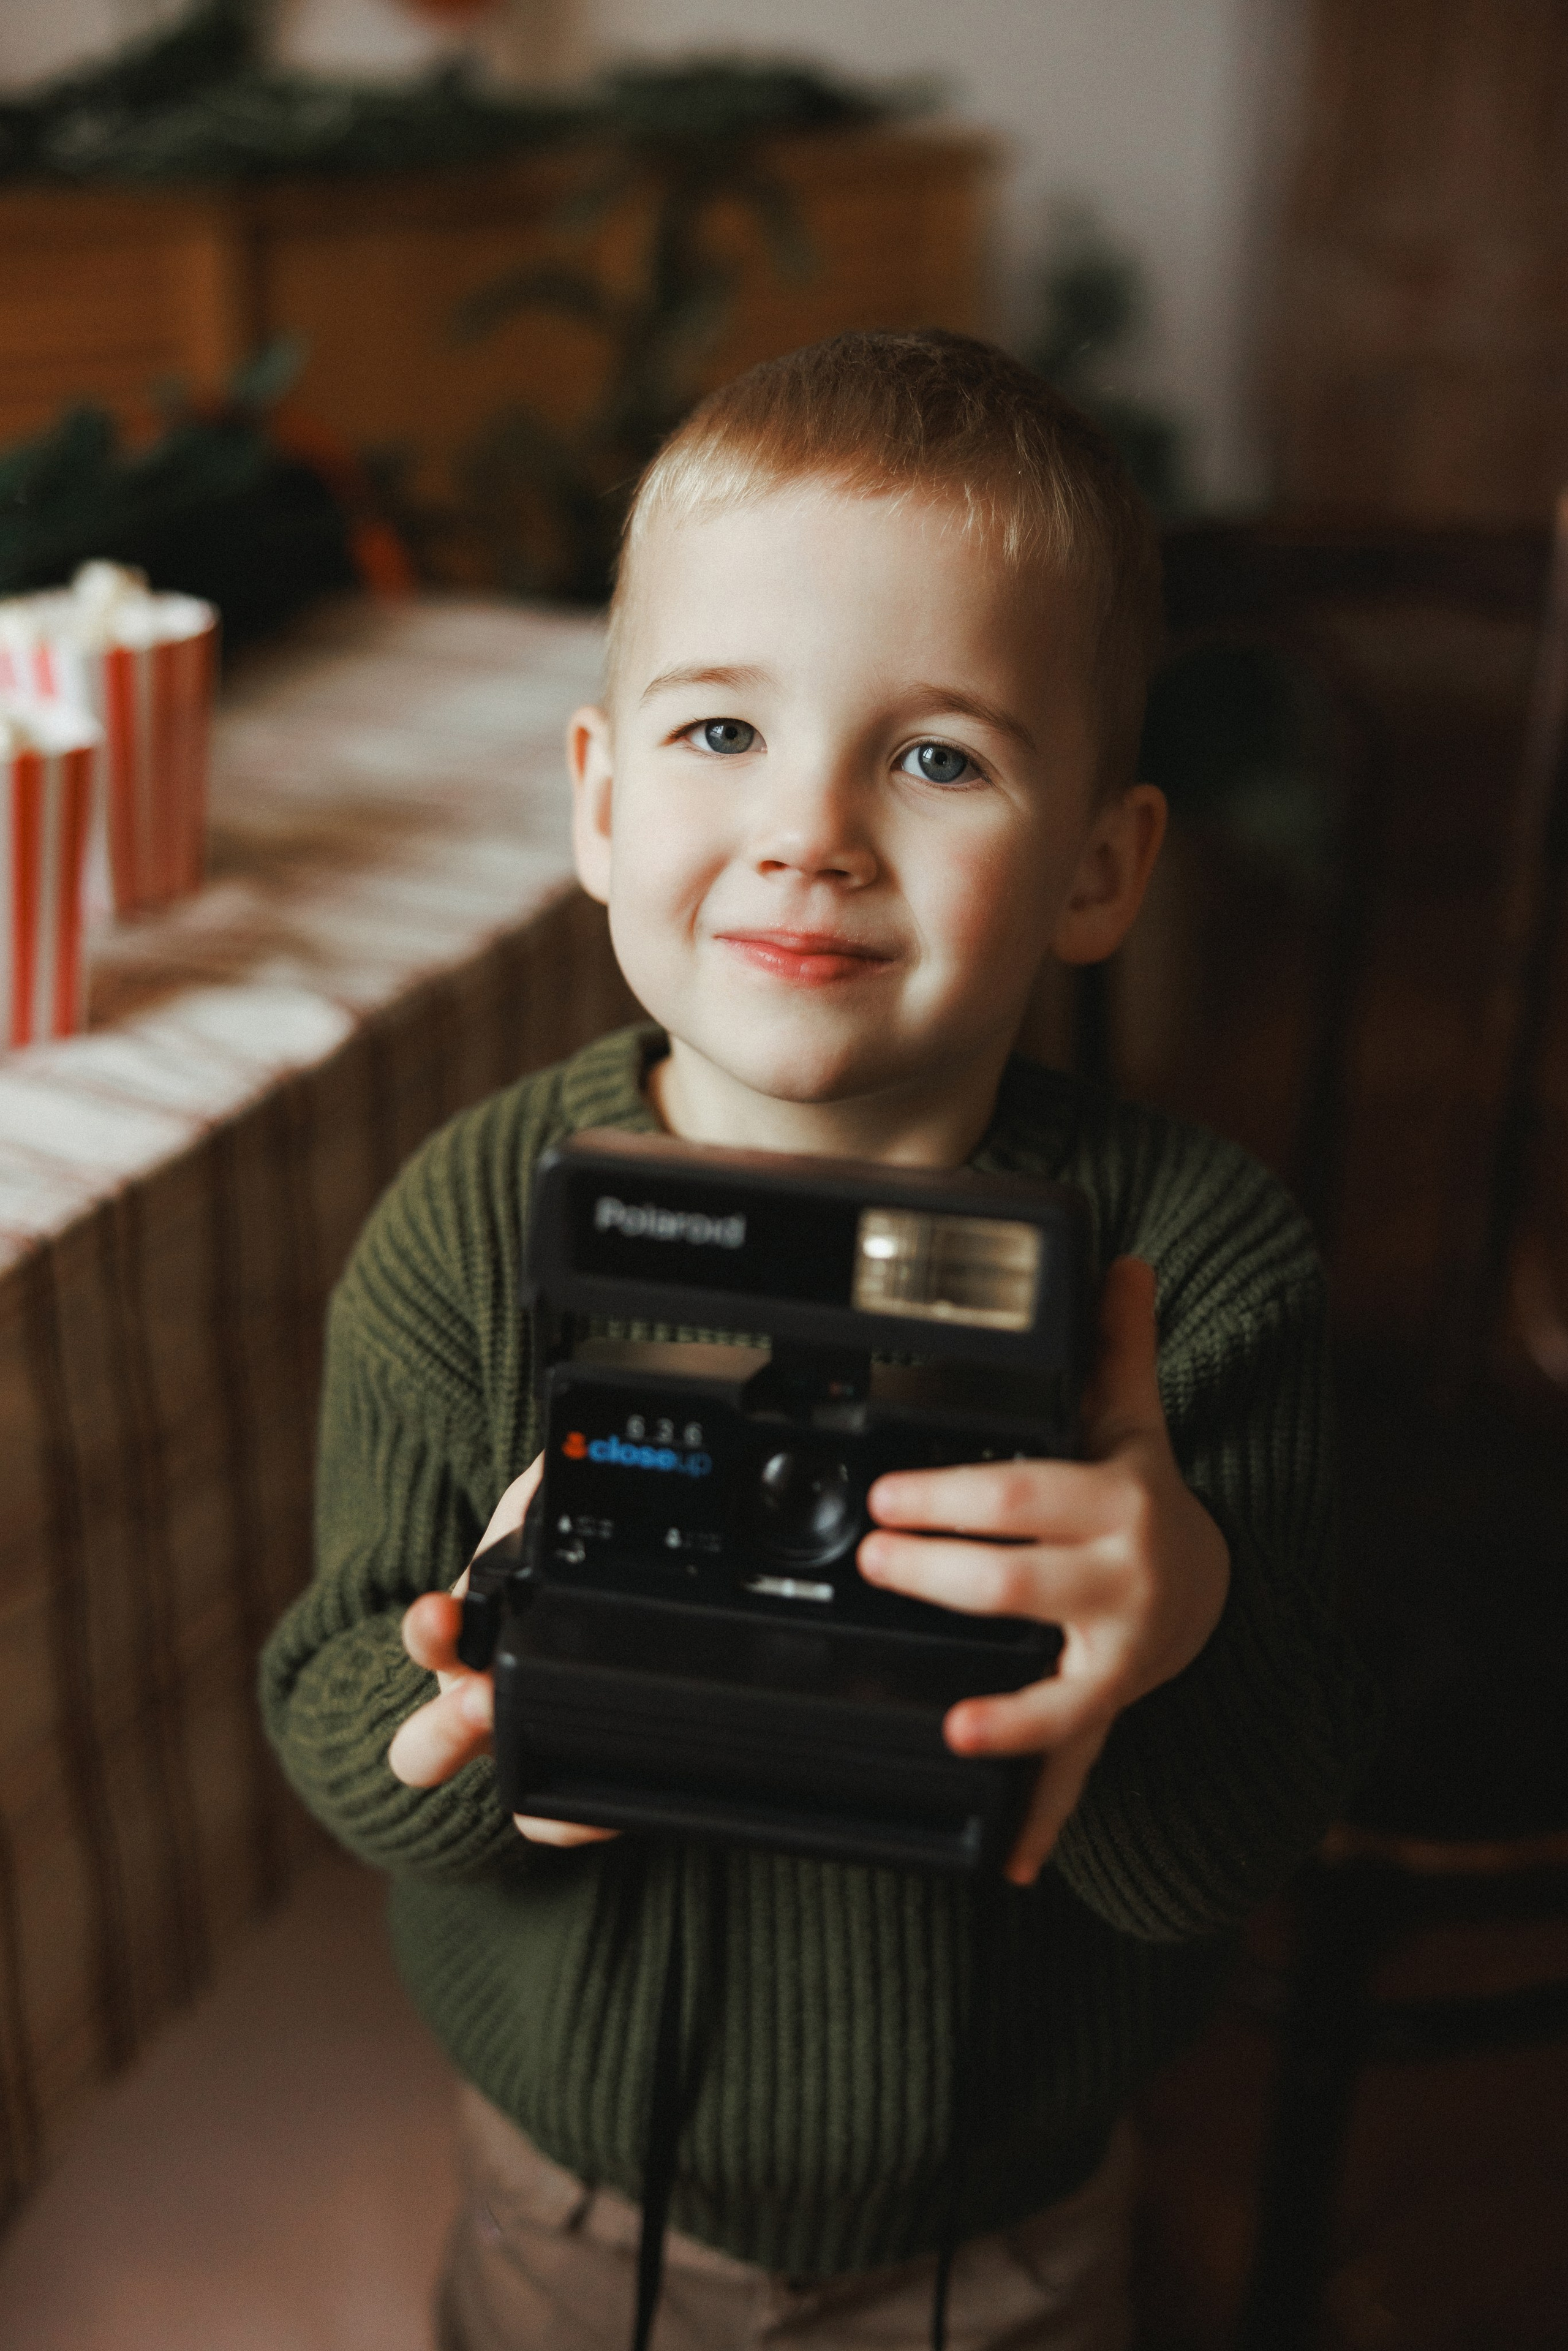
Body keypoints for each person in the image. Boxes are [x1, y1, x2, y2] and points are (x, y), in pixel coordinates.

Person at [260, 330, 1371, 2351]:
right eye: (719, 736)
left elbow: (1227, 1853)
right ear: (597, 802)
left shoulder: (1193, 1273)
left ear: (1101, 867)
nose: (813, 833)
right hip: (570, 2203)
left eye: (938, 756)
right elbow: (329, 1709)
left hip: (1008, 2227)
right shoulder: (467, 1229)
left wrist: (1177, 1612)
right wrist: (485, 1705)